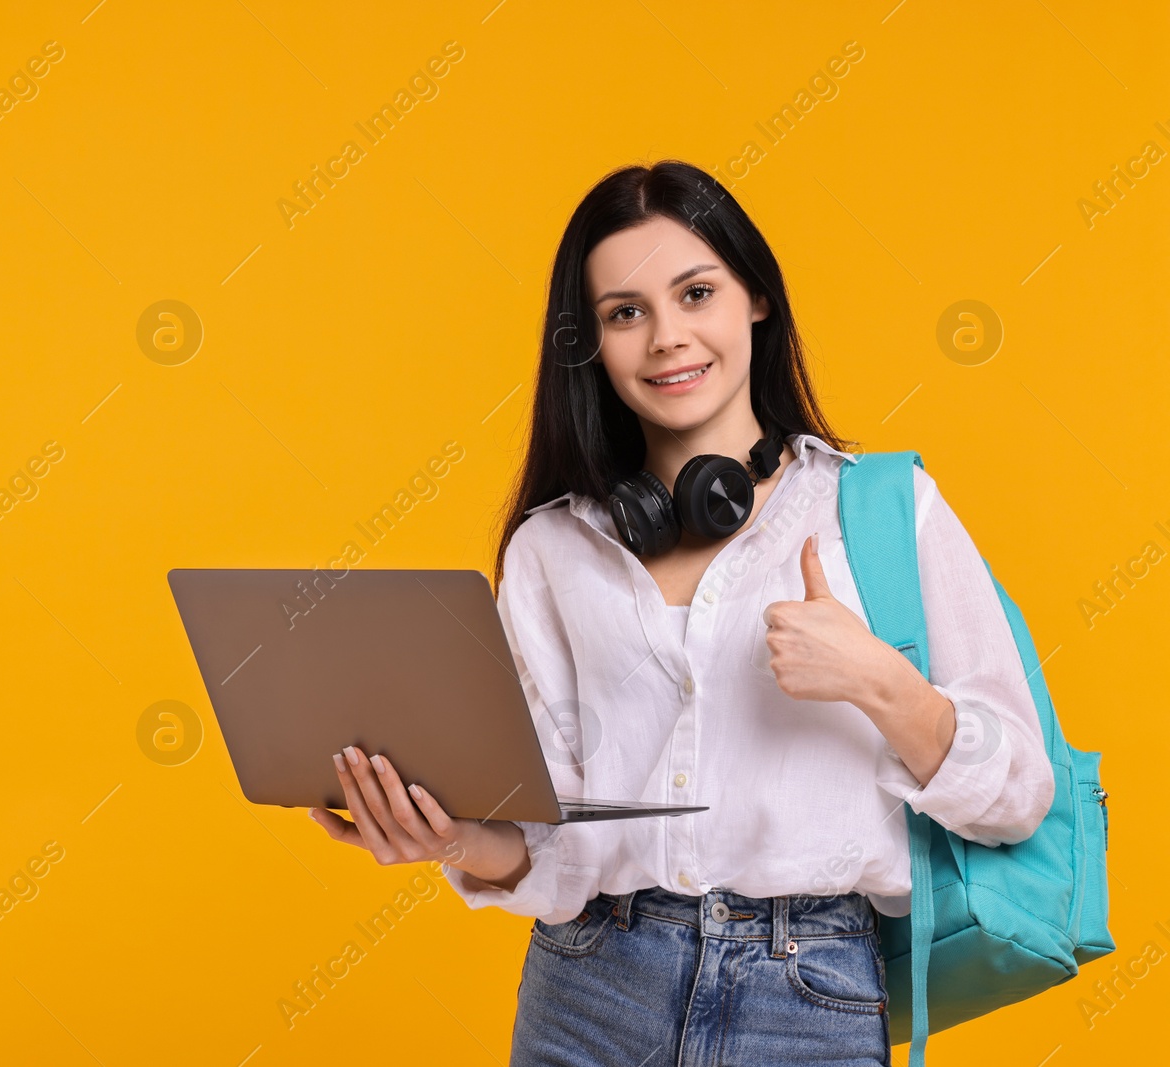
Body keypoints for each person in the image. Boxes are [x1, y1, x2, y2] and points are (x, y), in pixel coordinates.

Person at [305, 160, 1054, 1065]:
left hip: (809, 997)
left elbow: (1018, 794)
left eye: (696, 292)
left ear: (757, 302)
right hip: (588, 987)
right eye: (626, 312)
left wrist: (879, 681)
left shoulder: (885, 511)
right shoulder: (553, 550)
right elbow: (554, 842)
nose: (667, 337)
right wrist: (454, 838)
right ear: (592, 343)